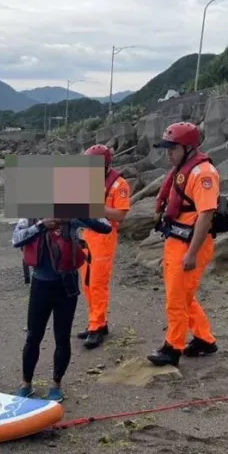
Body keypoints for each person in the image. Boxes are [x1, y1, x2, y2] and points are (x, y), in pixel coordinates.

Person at [12, 214, 112, 401]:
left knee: (62, 337)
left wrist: (79, 212)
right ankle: (26, 383)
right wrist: (41, 225)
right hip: (40, 284)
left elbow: (106, 227)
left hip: (67, 285)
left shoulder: (73, 215)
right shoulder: (32, 215)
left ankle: (56, 385)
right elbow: (16, 240)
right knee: (33, 336)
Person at [147, 121, 221, 367]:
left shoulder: (203, 174)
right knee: (183, 296)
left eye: (173, 148)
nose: (168, 153)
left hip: (190, 245)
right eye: (167, 148)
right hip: (177, 240)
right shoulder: (182, 169)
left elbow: (206, 214)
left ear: (188, 148)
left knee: (176, 300)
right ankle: (204, 340)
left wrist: (191, 254)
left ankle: (172, 348)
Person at [77, 144, 132, 349]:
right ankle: (97, 322)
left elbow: (120, 214)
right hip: (87, 234)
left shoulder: (120, 185)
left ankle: (97, 326)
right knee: (87, 282)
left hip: (104, 236)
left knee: (98, 282)